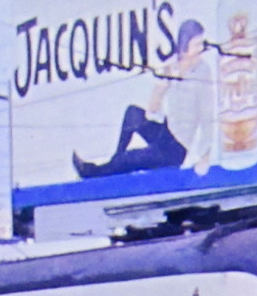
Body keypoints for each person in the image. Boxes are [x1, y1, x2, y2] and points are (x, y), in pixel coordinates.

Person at [72, 19, 213, 179]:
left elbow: (208, 119)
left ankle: (93, 173)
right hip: (165, 134)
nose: (201, 50)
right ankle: (114, 164)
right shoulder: (172, 67)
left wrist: (203, 157)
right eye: (197, 45)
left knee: (130, 158)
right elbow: (152, 113)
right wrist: (161, 88)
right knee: (133, 114)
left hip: (176, 148)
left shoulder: (203, 71)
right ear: (184, 46)